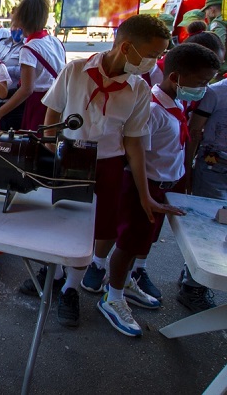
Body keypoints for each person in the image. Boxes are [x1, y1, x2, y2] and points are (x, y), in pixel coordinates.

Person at [26, 14, 179, 329]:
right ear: (125, 48)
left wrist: (144, 193)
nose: (155, 62)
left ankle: (71, 288)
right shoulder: (76, 71)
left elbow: (134, 143)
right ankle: (53, 272)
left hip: (109, 163)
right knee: (61, 223)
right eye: (151, 55)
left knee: (103, 231)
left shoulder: (138, 88)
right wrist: (52, 151)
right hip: (70, 158)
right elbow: (52, 113)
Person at [98, 44, 216, 336]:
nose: (205, 89)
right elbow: (134, 153)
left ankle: (124, 283)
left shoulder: (175, 103)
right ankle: (112, 298)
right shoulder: (152, 109)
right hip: (143, 186)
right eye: (201, 82)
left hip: (162, 185)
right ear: (176, 77)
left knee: (143, 240)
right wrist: (144, 195)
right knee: (127, 243)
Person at [180, 46, 227, 312]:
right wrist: (188, 172)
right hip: (214, 169)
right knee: (206, 230)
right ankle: (193, 286)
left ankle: (196, 277)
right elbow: (194, 132)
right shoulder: (215, 92)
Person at [0, 0, 66, 131]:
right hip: (57, 101)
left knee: (35, 145)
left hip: (39, 104)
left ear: (22, 19)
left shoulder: (28, 48)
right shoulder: (55, 41)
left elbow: (26, 89)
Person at [0, 12, 26, 130]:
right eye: (14, 26)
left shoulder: (27, 47)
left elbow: (25, 72)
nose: (16, 29)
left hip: (14, 100)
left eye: (20, 27)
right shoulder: (1, 43)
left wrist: (3, 69)